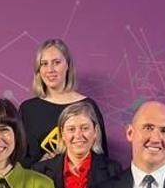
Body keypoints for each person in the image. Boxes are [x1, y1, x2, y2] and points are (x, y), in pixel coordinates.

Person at [18, 38, 108, 166]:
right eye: (44, 64)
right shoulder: (27, 109)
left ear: (68, 65)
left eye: (56, 62)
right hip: (38, 183)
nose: (50, 69)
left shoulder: (87, 106)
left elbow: (101, 157)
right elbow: (19, 159)